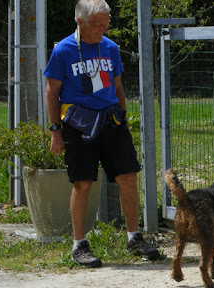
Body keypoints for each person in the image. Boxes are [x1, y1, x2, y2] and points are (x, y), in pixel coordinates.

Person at [43, 0, 159, 267]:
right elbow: (51, 92)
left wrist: (124, 118)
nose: (102, 29)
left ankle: (134, 237)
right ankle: (79, 245)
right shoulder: (63, 50)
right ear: (80, 22)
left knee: (128, 177)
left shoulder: (110, 47)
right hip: (78, 124)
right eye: (97, 24)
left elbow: (118, 86)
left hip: (111, 120)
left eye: (105, 24)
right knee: (83, 183)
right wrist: (55, 132)